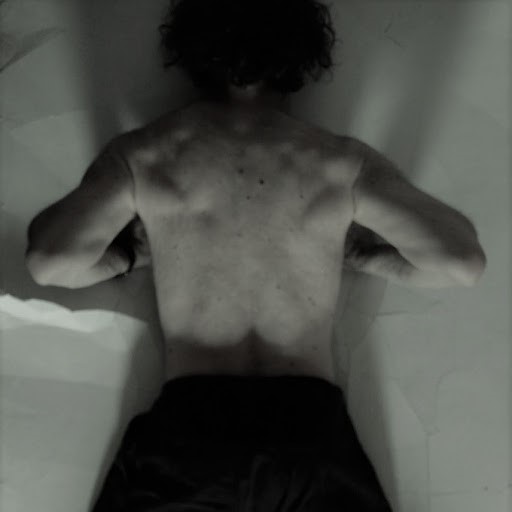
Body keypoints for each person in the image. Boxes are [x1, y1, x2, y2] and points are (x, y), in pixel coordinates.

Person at [25, 0, 487, 510]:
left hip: (194, 427)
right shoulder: (338, 162)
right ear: (303, 53)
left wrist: (128, 257)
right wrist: (365, 256)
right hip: (310, 430)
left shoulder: (147, 154)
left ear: (191, 49)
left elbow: (50, 262)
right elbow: (461, 263)